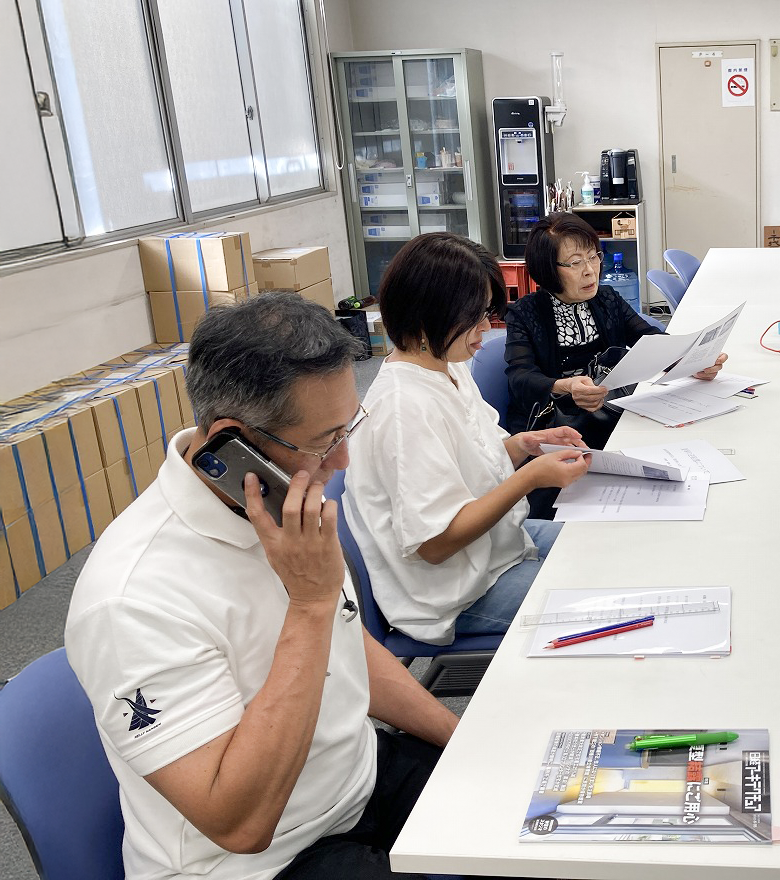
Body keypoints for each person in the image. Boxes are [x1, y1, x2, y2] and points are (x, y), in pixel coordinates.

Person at [65, 292, 462, 880]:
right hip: (263, 859)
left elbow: (351, 648)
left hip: (352, 782)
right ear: (235, 441)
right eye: (326, 441)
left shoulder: (283, 510)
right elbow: (240, 824)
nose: (344, 461)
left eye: (348, 428)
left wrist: (460, 738)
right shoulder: (133, 597)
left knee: (524, 810)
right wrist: (310, 603)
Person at [344, 232, 589, 646]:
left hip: (496, 548)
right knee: (600, 595)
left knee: (611, 546)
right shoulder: (404, 407)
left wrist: (523, 446)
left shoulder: (446, 366)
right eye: (473, 316)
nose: (485, 328)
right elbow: (436, 544)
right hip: (455, 590)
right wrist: (530, 479)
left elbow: (476, 461)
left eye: (487, 313)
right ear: (428, 315)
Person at [504, 212, 726, 451]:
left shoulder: (606, 298)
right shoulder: (525, 313)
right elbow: (520, 377)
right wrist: (566, 386)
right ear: (548, 268)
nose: (590, 270)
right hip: (555, 430)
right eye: (576, 262)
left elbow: (648, 338)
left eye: (593, 257)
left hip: (609, 416)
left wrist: (691, 361)